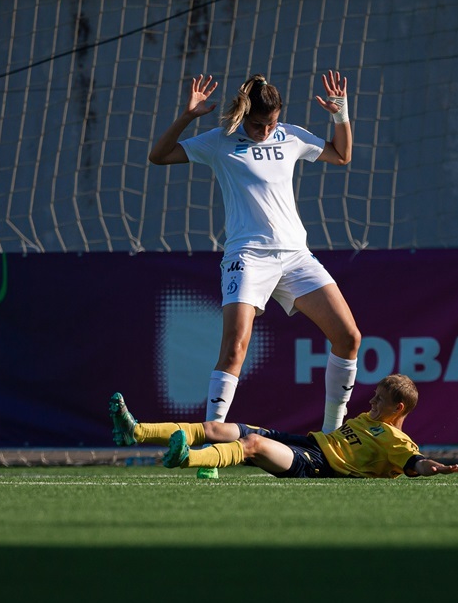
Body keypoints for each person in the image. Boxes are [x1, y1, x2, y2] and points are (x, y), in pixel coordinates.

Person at [148, 71, 361, 458]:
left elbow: (342, 155)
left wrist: (340, 114)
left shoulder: (291, 136)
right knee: (235, 348)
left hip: (297, 256)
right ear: (245, 116)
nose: (266, 130)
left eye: (272, 123)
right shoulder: (220, 142)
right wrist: (187, 116)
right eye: (260, 124)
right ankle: (211, 442)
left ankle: (332, 438)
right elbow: (159, 156)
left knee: (349, 338)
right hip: (248, 257)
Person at [109, 374, 458, 479]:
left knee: (253, 447)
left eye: (379, 400)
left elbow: (413, 462)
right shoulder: (369, 420)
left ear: (398, 408)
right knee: (221, 429)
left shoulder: (396, 439)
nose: (371, 403)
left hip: (322, 467)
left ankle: (185, 459)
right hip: (308, 443)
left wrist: (428, 466)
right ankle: (136, 432)